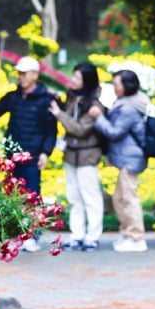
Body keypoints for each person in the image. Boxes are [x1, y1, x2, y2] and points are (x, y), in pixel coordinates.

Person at [0, 56, 58, 252]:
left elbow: (50, 130)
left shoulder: (46, 99)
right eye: (19, 73)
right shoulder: (13, 97)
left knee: (31, 197)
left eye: (24, 73)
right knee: (12, 196)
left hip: (33, 157)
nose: (20, 77)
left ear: (35, 75)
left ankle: (31, 236)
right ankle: (15, 234)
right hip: (12, 156)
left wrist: (46, 153)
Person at [88, 69, 149, 252]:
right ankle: (127, 234)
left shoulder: (129, 108)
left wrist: (98, 117)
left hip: (131, 159)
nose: (114, 87)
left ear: (127, 86)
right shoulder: (124, 103)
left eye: (117, 84)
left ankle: (137, 238)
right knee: (119, 198)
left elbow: (114, 132)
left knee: (129, 198)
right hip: (125, 157)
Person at [48, 62, 104, 252]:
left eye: (78, 78)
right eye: (74, 76)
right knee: (74, 197)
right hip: (71, 155)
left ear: (87, 81)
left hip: (87, 156)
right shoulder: (73, 97)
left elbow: (80, 129)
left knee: (91, 197)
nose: (73, 80)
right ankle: (77, 235)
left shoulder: (94, 105)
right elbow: (70, 114)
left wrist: (59, 114)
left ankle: (92, 237)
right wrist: (59, 103)